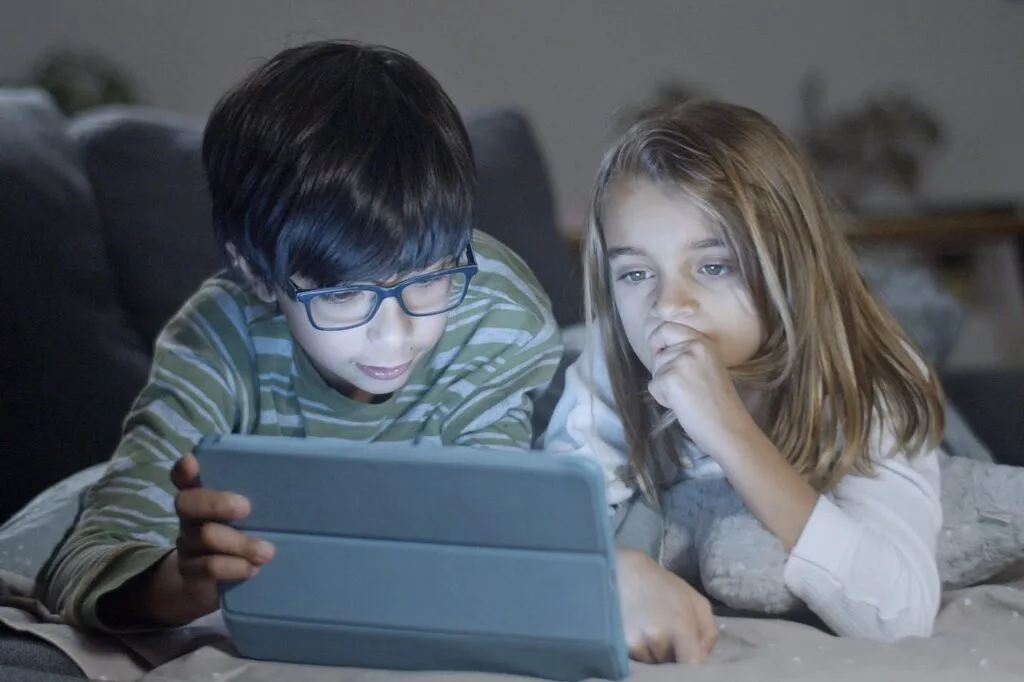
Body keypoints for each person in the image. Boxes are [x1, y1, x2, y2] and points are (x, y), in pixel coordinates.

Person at [39, 40, 562, 632]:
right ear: (259, 274)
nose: (395, 338)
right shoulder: (218, 342)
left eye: (429, 280)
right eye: (340, 295)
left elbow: (488, 530)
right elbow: (92, 556)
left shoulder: (497, 312)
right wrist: (178, 584)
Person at [545, 99, 945, 660]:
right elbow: (550, 536)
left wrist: (730, 432)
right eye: (636, 273)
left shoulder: (872, 382)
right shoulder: (608, 369)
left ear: (786, 262)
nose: (668, 304)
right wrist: (617, 567)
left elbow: (899, 614)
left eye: (714, 266)